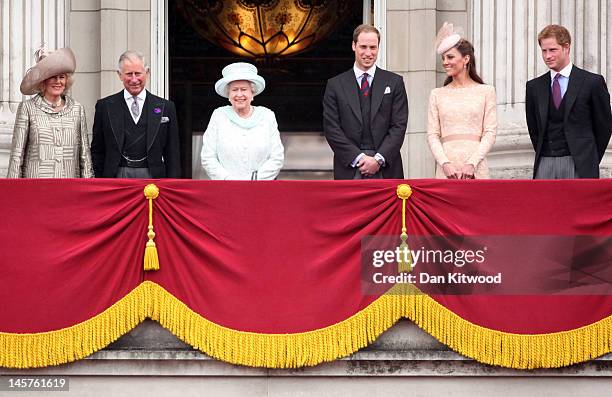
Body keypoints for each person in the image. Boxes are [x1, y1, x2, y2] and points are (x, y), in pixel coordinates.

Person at [526, 24, 612, 179]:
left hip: (580, 163)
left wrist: (588, 158)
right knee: (544, 204)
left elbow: (604, 126)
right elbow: (534, 129)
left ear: (566, 48)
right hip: (545, 162)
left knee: (579, 204)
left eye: (552, 50)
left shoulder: (592, 82)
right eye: (544, 51)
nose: (547, 56)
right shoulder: (534, 86)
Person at [323, 24, 408, 180]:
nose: (368, 53)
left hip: (387, 167)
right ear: (353, 46)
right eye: (363, 47)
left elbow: (399, 126)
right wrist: (359, 158)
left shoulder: (395, 82)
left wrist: (378, 159)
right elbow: (332, 128)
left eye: (373, 47)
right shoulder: (335, 85)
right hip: (349, 167)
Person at [91, 50, 181, 178]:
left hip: (154, 177)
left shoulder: (166, 107)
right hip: (116, 177)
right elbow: (97, 150)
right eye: (129, 74)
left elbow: (172, 153)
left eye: (138, 73)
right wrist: (100, 184)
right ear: (120, 75)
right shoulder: (104, 106)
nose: (134, 79)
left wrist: (173, 187)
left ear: (147, 73)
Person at [7, 47, 93, 178]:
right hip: (36, 188)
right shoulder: (27, 108)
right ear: (43, 80)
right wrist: (12, 192)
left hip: (69, 188)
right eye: (52, 77)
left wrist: (88, 190)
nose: (58, 81)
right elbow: (17, 155)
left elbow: (85, 156)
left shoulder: (77, 109)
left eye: (62, 77)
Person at [426, 23, 497, 179]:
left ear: (466, 59)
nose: (445, 62)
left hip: (476, 167)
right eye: (443, 58)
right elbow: (432, 134)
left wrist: (472, 163)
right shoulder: (437, 94)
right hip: (446, 170)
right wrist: (445, 163)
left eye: (450, 57)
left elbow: (490, 133)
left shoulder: (486, 91)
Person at [200, 62, 284, 180]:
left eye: (244, 89)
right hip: (226, 188)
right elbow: (208, 157)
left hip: (261, 187)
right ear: (228, 94)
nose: (239, 94)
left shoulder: (267, 116)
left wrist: (256, 178)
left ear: (252, 93)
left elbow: (277, 157)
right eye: (234, 90)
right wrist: (227, 179)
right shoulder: (219, 116)